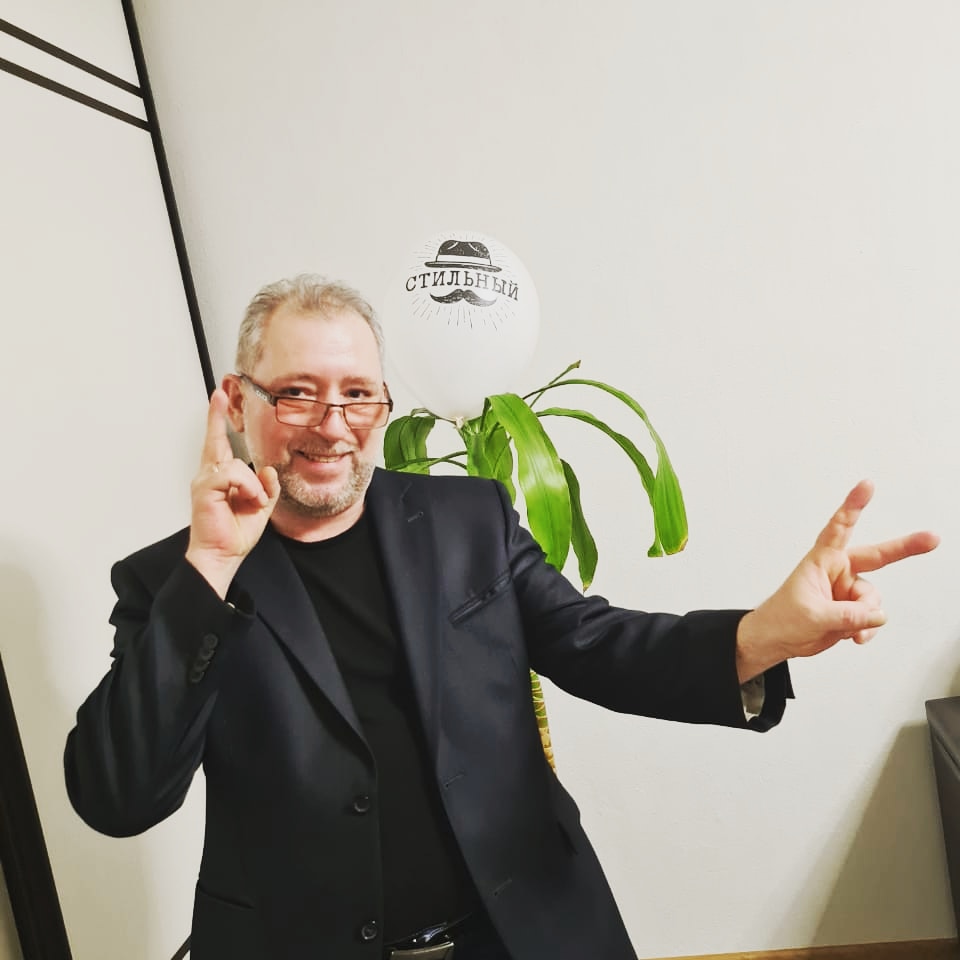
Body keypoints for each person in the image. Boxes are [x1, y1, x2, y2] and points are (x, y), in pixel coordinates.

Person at [64, 275, 939, 960]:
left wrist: (761, 635)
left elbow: (597, 643)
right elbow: (117, 797)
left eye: (358, 393)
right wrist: (212, 567)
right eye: (297, 392)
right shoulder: (173, 580)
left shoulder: (465, 520)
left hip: (523, 933)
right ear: (237, 400)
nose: (333, 424)